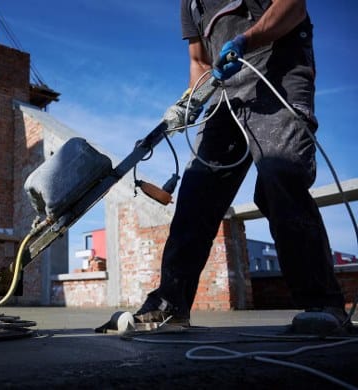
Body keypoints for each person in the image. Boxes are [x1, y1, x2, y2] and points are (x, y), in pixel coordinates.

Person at [134, 0, 351, 334]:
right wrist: (192, 99)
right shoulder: (190, 4)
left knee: (280, 177)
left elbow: (293, 7)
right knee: (197, 194)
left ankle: (322, 303)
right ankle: (171, 304)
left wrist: (247, 40)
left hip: (277, 73)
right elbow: (199, 60)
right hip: (225, 92)